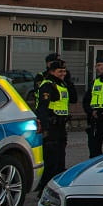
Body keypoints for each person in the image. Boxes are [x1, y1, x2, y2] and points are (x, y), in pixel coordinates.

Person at [32, 59, 73, 188]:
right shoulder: (48, 85)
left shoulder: (62, 84)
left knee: (60, 161)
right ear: (52, 71)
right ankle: (44, 188)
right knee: (51, 161)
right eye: (60, 71)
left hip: (61, 127)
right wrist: (45, 128)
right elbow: (42, 108)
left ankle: (57, 187)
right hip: (52, 127)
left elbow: (73, 98)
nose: (63, 73)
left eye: (64, 71)